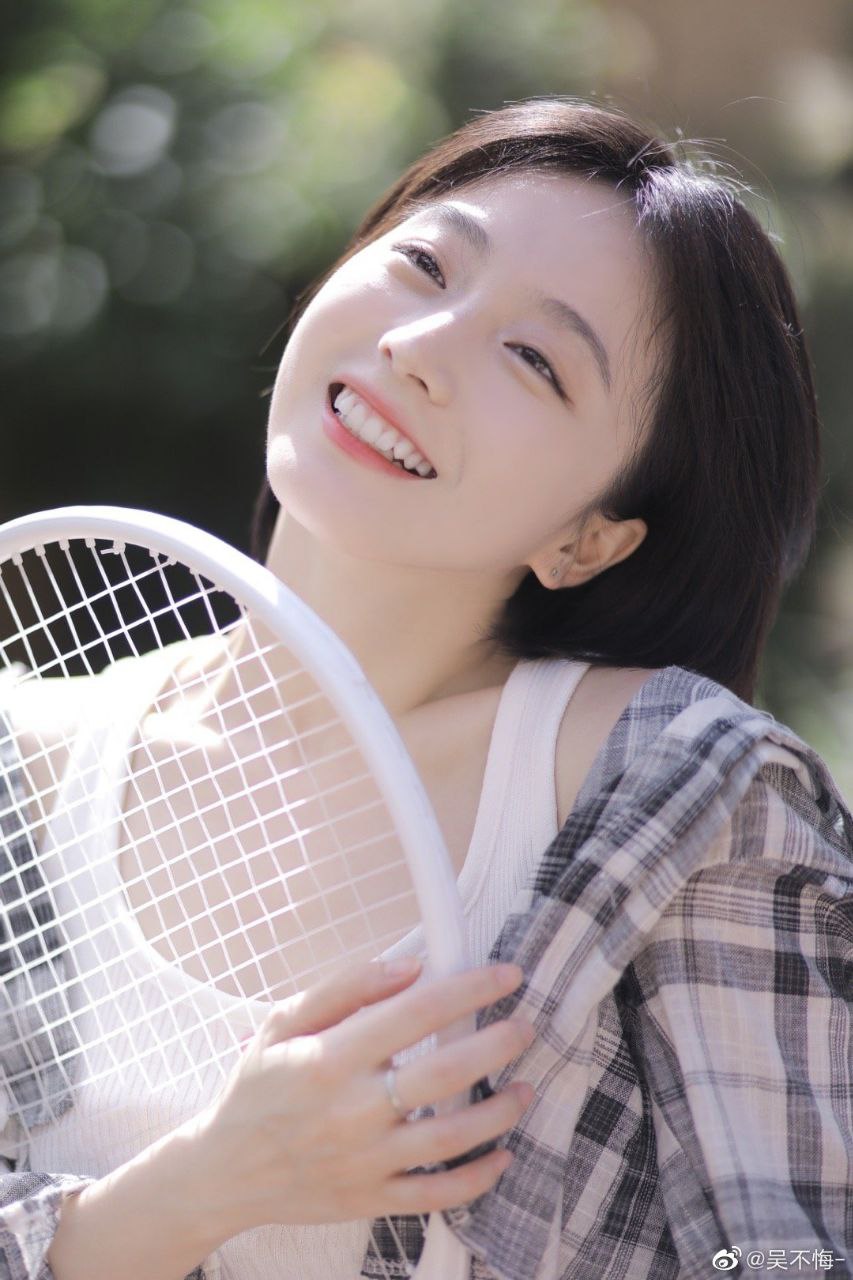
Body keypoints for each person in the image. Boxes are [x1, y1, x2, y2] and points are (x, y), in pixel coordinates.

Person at [1, 94, 850, 1280]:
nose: (420, 346)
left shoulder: (676, 791)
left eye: (534, 359)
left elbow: (796, 1257)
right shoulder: (25, 757)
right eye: (424, 266)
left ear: (590, 539)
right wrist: (208, 1183)